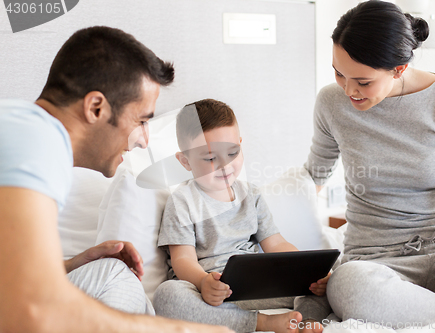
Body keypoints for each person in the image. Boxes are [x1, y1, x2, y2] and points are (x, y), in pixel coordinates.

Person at [0, 26, 232, 333]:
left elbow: (13, 279)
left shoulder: (22, 127)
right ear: (96, 108)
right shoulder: (36, 140)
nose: (144, 141)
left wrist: (75, 263)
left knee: (109, 269)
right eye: (141, 121)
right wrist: (182, 329)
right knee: (113, 276)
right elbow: (28, 310)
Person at [302, 0, 435, 328]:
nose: (349, 89)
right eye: (338, 73)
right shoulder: (331, 102)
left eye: (363, 82)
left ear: (399, 69)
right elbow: (311, 182)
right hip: (371, 265)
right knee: (349, 286)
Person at [153, 99, 330, 333]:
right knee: (167, 296)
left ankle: (303, 321)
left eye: (232, 153)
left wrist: (307, 270)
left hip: (255, 286)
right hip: (210, 292)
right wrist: (204, 282)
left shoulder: (251, 195)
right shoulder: (182, 200)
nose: (224, 165)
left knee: (326, 285)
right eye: (210, 158)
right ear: (185, 161)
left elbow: (275, 243)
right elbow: (182, 259)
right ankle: (262, 323)